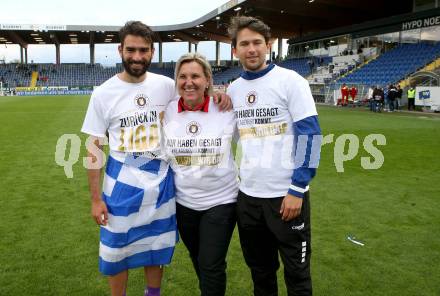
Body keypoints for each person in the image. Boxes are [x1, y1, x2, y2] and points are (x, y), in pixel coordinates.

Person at [81, 21, 231, 296]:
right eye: (131, 50)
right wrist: (94, 198)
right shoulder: (102, 93)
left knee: (155, 246)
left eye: (143, 50)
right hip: (121, 183)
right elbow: (94, 147)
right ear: (120, 50)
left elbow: (194, 91)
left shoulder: (165, 85)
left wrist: (219, 94)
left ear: (152, 51)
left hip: (162, 181)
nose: (137, 57)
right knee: (117, 251)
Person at [227, 16, 322, 296]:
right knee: (261, 273)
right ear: (235, 50)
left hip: (287, 197)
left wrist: (297, 188)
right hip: (248, 198)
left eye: (257, 42)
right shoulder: (233, 89)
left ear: (268, 45)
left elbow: (311, 136)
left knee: (297, 275)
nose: (252, 49)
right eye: (245, 44)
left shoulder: (291, 81)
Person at [163, 52, 238, 296]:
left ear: (207, 79)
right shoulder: (167, 112)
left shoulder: (226, 108)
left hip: (222, 201)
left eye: (195, 76)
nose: (189, 82)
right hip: (184, 204)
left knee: (211, 264)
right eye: (182, 77)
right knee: (199, 260)